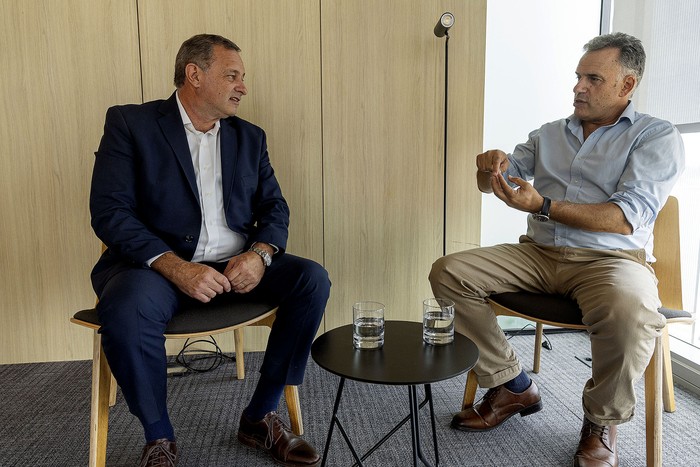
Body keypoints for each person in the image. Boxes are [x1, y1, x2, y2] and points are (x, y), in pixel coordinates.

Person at [429, 32, 684, 467]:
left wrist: (544, 204)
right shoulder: (550, 133)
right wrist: (489, 167)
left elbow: (626, 217)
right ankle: (512, 384)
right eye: (577, 77)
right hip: (540, 253)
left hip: (611, 260)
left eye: (593, 79)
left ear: (627, 86)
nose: (578, 87)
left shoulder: (655, 137)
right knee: (450, 271)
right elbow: (498, 181)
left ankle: (600, 421)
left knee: (632, 313)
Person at [90, 34, 330, 467]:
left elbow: (274, 207)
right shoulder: (131, 124)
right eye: (232, 75)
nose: (243, 87)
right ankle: (159, 437)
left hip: (234, 265)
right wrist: (175, 267)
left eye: (243, 77)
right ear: (194, 75)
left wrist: (260, 254)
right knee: (126, 308)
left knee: (311, 279)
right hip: (155, 268)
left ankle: (260, 415)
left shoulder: (249, 137)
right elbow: (110, 212)